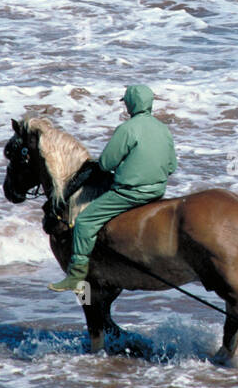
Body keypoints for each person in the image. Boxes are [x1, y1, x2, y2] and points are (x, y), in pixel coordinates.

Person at [49, 84, 177, 291]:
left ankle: (76, 275)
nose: (126, 106)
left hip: (130, 193)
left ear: (132, 104)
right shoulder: (163, 129)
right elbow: (172, 167)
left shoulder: (127, 129)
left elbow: (106, 164)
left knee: (84, 222)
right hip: (157, 190)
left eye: (127, 103)